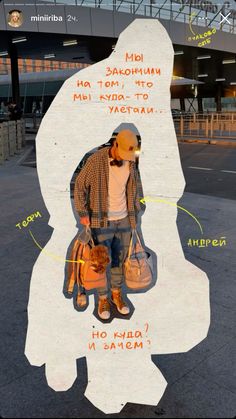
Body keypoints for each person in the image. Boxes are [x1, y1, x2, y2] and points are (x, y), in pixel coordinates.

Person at [74, 129, 144, 320]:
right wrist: (83, 213)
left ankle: (116, 296)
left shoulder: (131, 161)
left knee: (119, 261)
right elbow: (80, 185)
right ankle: (103, 299)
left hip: (124, 220)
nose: (127, 158)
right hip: (101, 221)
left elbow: (135, 187)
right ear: (115, 145)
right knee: (101, 264)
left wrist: (135, 212)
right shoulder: (96, 160)